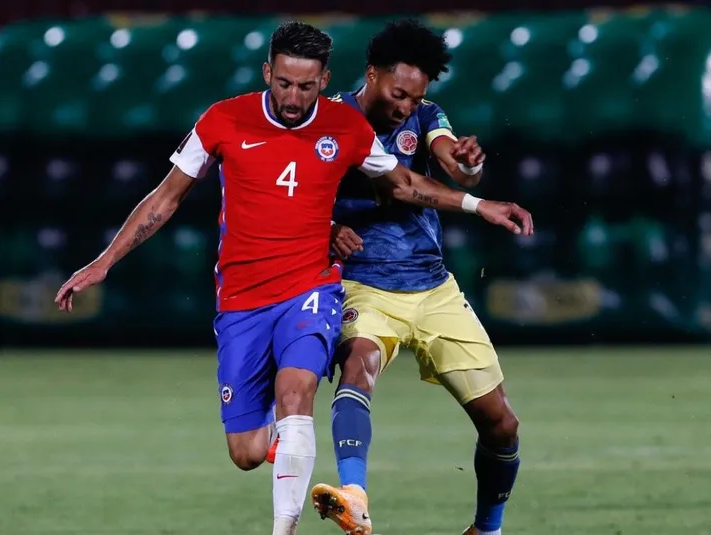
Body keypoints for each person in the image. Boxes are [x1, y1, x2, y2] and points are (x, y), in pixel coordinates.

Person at [54, 21, 530, 535]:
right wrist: (104, 261)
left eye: (305, 86)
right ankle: (318, 468)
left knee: (313, 392)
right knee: (261, 441)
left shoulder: (364, 124)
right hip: (295, 292)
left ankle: (365, 514)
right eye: (284, 83)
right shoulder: (232, 119)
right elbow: (170, 198)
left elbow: (413, 179)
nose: (293, 97)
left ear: (323, 80)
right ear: (268, 73)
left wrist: (477, 196)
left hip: (362, 286)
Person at [308, 21, 530, 535]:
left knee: (502, 424)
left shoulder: (426, 115)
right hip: (363, 284)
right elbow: (297, 195)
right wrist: (328, 228)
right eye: (398, 93)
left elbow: (450, 157)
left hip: (433, 287)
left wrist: (469, 168)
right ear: (372, 74)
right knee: (358, 366)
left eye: (415, 97)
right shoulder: (330, 121)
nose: (406, 106)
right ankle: (354, 496)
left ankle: (487, 529)